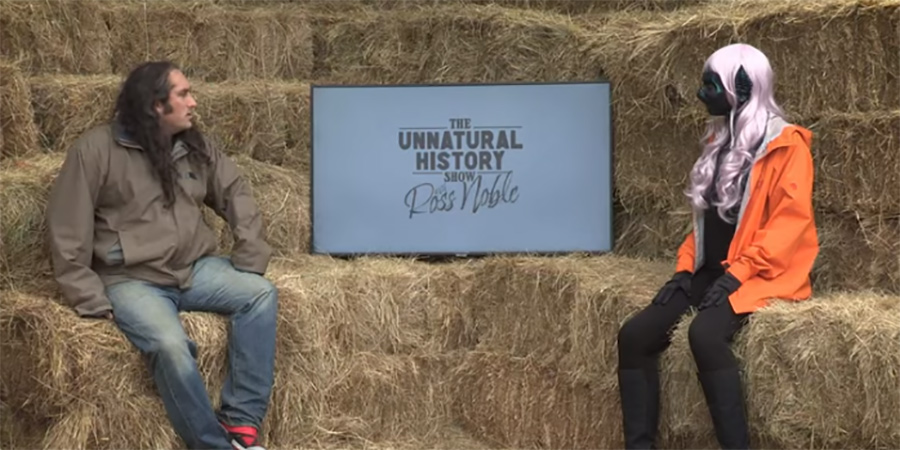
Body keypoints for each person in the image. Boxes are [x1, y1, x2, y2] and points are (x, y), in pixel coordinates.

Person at [46, 61, 277, 450]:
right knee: (170, 346)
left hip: (193, 269)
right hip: (131, 280)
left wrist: (251, 255)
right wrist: (87, 296)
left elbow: (235, 191)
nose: (194, 102)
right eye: (184, 94)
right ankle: (213, 445)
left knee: (260, 294)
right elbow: (67, 226)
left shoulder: (196, 147)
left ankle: (241, 422)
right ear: (156, 105)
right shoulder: (96, 150)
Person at [615, 43, 819, 449]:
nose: (701, 94)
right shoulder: (718, 138)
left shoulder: (788, 145)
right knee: (634, 335)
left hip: (760, 273)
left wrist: (737, 275)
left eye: (711, 84)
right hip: (712, 270)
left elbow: (788, 225)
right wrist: (684, 269)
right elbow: (705, 222)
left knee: (705, 336)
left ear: (742, 89)